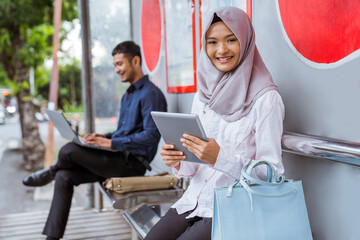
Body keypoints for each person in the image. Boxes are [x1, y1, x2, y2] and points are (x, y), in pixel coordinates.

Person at [145, 7, 285, 240]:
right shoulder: (202, 96)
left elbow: (272, 174)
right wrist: (177, 160)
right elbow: (192, 169)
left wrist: (220, 158)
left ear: (246, 42)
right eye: (212, 42)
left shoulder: (267, 98)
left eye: (231, 40)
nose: (221, 50)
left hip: (237, 206)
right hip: (195, 198)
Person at [22, 41, 167, 240]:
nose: (117, 70)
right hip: (116, 159)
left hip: (132, 165)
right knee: (65, 177)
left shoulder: (151, 94)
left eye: (120, 64)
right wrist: (104, 138)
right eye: (115, 65)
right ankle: (52, 238)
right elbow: (124, 132)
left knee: (68, 151)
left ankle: (51, 171)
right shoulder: (128, 95)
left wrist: (111, 144)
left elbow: (151, 136)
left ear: (135, 61)